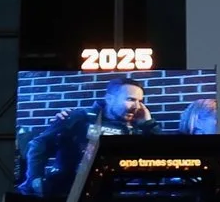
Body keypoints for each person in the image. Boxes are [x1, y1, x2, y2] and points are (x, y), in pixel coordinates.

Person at [17, 76, 152, 195]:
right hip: (62, 193)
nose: (137, 106)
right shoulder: (80, 117)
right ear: (110, 99)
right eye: (131, 99)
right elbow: (39, 144)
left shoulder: (136, 128)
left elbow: (158, 157)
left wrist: (149, 124)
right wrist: (35, 178)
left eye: (140, 101)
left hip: (105, 196)